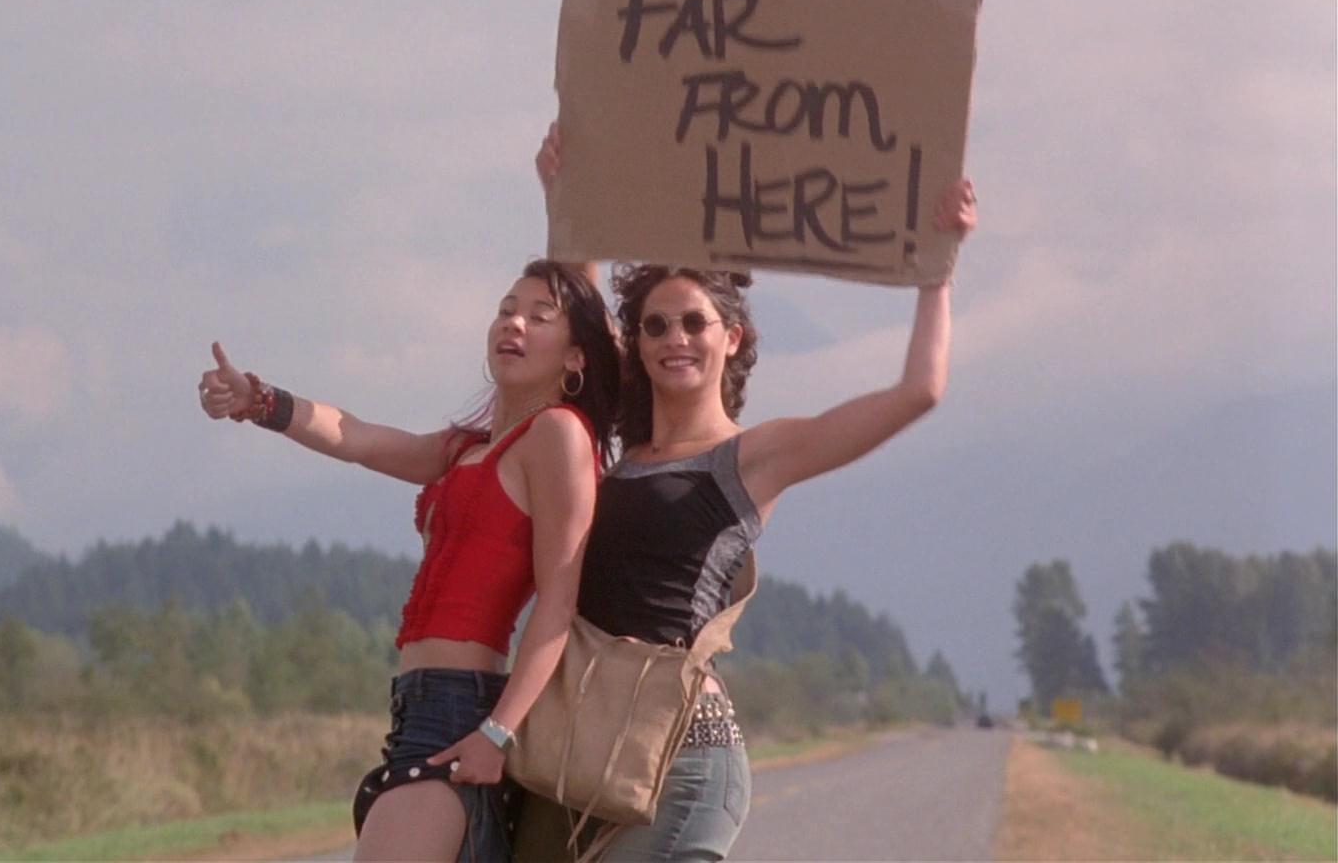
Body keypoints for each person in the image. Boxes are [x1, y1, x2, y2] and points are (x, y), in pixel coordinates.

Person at [520, 124, 977, 861]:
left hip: (684, 759)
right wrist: (565, 196)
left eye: (694, 323)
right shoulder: (620, 454)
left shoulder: (753, 457)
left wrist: (938, 267)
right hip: (589, 744)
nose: (675, 338)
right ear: (637, 346)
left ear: (731, 336)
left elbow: (918, 391)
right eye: (655, 326)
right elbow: (582, 302)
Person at [199, 259, 622, 862]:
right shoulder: (467, 448)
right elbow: (357, 438)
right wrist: (260, 401)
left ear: (576, 356)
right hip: (419, 708)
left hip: (462, 711)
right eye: (506, 311)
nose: (514, 324)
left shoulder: (558, 434)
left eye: (539, 316)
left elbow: (558, 603)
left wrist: (497, 732)